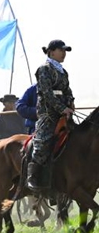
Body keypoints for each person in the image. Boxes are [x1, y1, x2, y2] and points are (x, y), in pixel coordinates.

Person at [26, 40, 74, 192]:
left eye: (65, 51)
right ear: (52, 52)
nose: (64, 53)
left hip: (63, 111)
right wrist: (62, 108)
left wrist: (71, 103)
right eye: (62, 50)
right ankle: (31, 176)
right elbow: (47, 93)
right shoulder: (44, 69)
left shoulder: (63, 71)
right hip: (48, 113)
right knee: (43, 141)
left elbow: (67, 90)